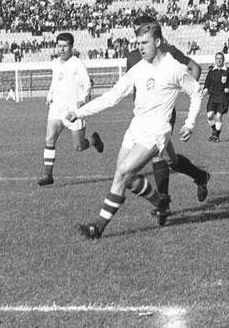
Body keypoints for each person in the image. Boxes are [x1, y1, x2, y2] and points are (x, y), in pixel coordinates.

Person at [68, 22, 203, 240]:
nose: (140, 47)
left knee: (122, 174)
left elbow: (196, 92)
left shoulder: (174, 68)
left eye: (145, 42)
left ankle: (97, 227)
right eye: (138, 43)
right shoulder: (139, 68)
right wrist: (80, 112)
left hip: (156, 132)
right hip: (135, 127)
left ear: (157, 42)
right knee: (126, 177)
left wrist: (189, 123)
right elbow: (112, 97)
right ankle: (159, 201)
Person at [126, 15, 211, 203]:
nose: (139, 35)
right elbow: (131, 84)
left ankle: (162, 204)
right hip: (142, 117)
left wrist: (176, 93)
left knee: (157, 155)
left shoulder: (168, 52)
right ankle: (201, 176)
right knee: (171, 160)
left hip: (163, 115)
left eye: (143, 29)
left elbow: (194, 68)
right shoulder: (133, 56)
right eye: (136, 31)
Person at [38, 32, 104, 186]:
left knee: (79, 147)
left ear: (71, 47)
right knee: (49, 139)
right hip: (57, 108)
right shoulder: (54, 63)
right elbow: (54, 82)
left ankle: (93, 141)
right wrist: (49, 96)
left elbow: (87, 83)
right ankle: (48, 175)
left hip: (73, 110)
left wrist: (83, 99)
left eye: (65, 46)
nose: (62, 49)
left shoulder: (77, 63)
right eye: (59, 46)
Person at [204, 52, 229, 142]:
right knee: (209, 115)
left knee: (219, 116)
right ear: (215, 60)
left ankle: (216, 136)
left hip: (223, 97)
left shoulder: (228, 71)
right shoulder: (212, 71)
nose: (219, 60)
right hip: (213, 96)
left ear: (223, 60)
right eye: (217, 58)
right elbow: (207, 82)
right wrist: (205, 89)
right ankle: (215, 131)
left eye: (220, 58)